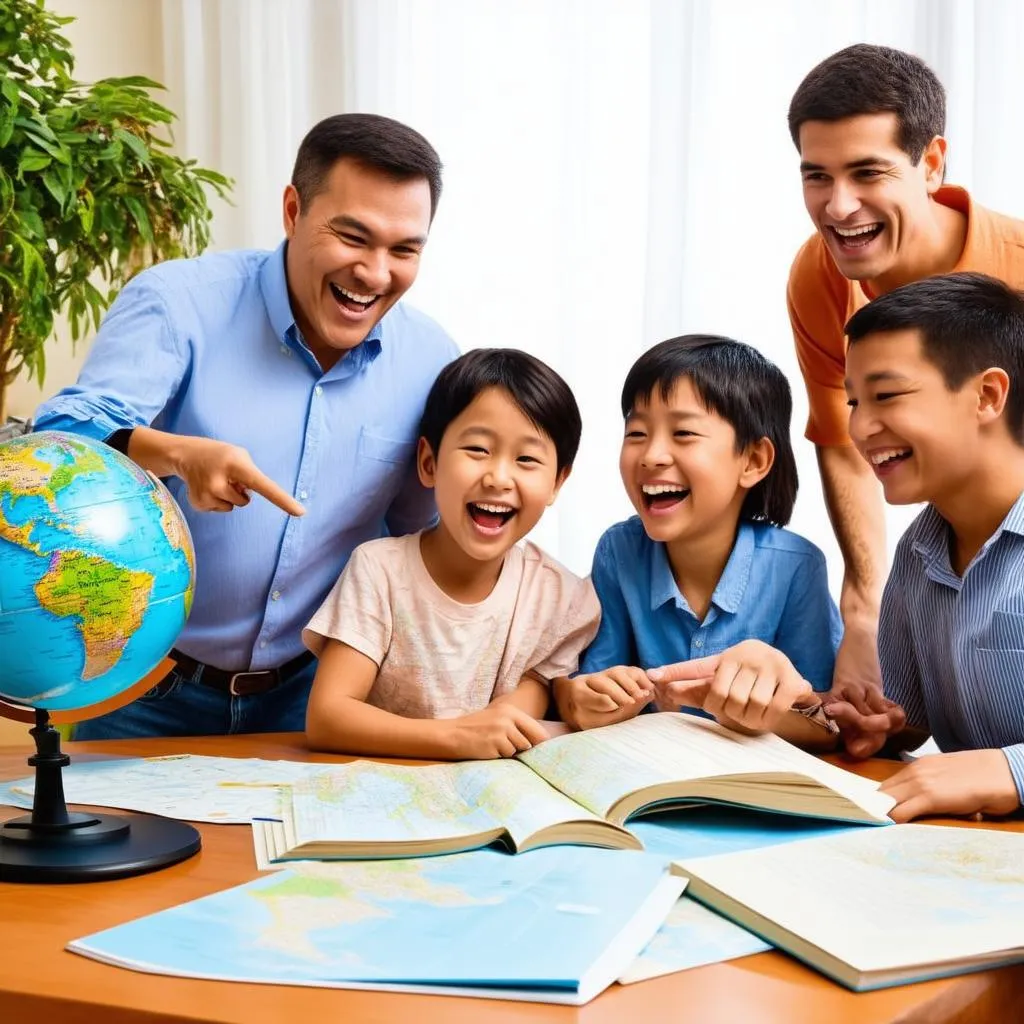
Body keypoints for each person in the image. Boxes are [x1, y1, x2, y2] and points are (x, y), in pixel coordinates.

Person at [33, 113, 459, 738]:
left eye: (403, 250)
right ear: (293, 210)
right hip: (147, 694)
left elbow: (420, 537)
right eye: (352, 236)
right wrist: (176, 454)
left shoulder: (432, 359)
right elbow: (63, 436)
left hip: (315, 701)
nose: (374, 272)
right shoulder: (178, 302)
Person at [786, 44, 1024, 712]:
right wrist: (864, 609)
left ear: (931, 163)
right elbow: (842, 438)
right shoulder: (819, 275)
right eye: (816, 176)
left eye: (867, 173)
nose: (838, 207)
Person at [303, 348, 600, 760]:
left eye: (527, 459)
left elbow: (508, 726)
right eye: (478, 449)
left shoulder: (562, 598)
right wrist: (455, 737)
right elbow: (328, 718)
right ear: (429, 462)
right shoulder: (379, 570)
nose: (498, 477)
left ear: (557, 482)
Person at [554, 335, 841, 748]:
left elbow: (825, 726)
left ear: (754, 461)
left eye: (684, 433)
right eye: (636, 432)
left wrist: (767, 707)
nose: (652, 455)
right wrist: (584, 698)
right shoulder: (619, 551)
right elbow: (591, 683)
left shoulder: (797, 566)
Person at [833, 272, 1024, 822]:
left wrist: (1013, 770)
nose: (861, 427)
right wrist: (870, 721)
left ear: (987, 395)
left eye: (886, 396)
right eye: (853, 402)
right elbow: (908, 718)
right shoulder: (919, 550)